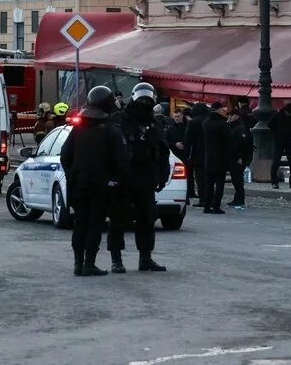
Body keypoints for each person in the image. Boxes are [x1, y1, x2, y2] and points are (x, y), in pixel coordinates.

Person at [60, 85, 129, 277]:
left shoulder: (78, 129)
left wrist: (72, 174)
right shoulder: (111, 131)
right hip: (100, 186)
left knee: (80, 222)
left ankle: (78, 263)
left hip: (78, 184)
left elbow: (64, 157)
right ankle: (89, 263)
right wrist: (117, 181)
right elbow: (122, 162)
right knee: (95, 224)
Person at [107, 82, 169, 273]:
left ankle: (146, 258)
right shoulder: (119, 119)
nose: (144, 101)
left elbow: (162, 151)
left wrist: (162, 175)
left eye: (147, 98)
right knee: (118, 219)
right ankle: (116, 260)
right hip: (124, 177)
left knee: (147, 219)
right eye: (141, 97)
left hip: (146, 177)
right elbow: (110, 149)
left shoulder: (154, 123)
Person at [202, 102, 231, 214]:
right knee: (219, 184)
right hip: (221, 158)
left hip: (208, 157)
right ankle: (216, 206)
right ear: (218, 110)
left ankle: (207, 205)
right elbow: (228, 141)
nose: (224, 111)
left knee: (209, 183)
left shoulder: (205, 123)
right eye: (222, 109)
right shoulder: (223, 125)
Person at [165, 107, 195, 203]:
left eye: (178, 116)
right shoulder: (170, 130)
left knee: (189, 176)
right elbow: (166, 142)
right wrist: (175, 144)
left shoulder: (188, 127)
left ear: (182, 116)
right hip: (176, 155)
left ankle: (190, 193)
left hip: (186, 155)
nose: (176, 118)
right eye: (175, 117)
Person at [227, 105, 254, 209]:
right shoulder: (233, 126)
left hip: (238, 158)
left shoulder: (241, 128)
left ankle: (240, 199)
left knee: (237, 179)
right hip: (234, 157)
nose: (229, 117)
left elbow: (244, 144)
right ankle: (237, 198)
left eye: (231, 115)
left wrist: (241, 157)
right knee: (235, 179)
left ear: (236, 116)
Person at [269, 102, 291, 189]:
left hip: (290, 142)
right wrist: (277, 134)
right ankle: (274, 182)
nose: (290, 114)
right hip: (279, 141)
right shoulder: (277, 116)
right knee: (276, 162)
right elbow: (270, 125)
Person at [184, 103, 209, 207]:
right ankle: (210, 198)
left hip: (198, 153)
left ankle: (203, 199)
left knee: (200, 177)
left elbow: (188, 140)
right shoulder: (209, 120)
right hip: (211, 152)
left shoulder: (193, 123)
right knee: (209, 178)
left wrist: (185, 152)